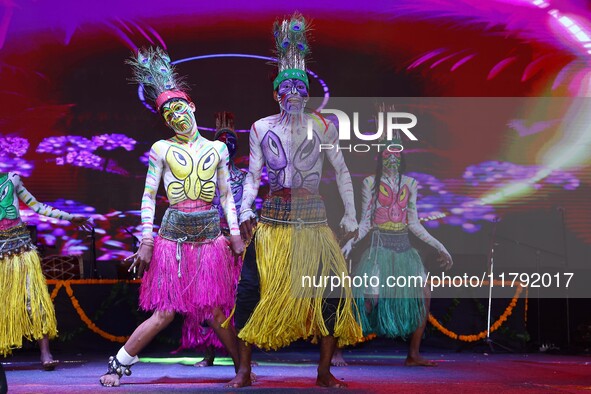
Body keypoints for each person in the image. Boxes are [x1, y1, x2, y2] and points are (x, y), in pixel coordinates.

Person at [227, 14, 362, 389]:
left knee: (333, 291)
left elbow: (343, 172)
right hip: (272, 224)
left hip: (313, 222)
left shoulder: (323, 126)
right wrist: (245, 212)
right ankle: (243, 370)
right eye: (287, 88)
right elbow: (253, 177)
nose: (295, 95)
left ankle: (322, 372)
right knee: (250, 290)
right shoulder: (260, 127)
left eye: (301, 89)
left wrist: (351, 212)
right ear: (276, 94)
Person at [99, 47, 245, 387]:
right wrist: (147, 240)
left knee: (216, 310)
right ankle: (118, 364)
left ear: (192, 106)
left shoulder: (218, 149)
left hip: (210, 237)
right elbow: (149, 195)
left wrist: (235, 234)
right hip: (173, 238)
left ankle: (243, 368)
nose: (175, 116)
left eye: (179, 107)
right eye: (168, 114)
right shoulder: (161, 149)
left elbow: (226, 196)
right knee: (164, 312)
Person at [342, 133, 453, 366]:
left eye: (396, 152)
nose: (392, 156)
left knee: (424, 296)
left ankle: (413, 354)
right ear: (380, 156)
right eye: (387, 152)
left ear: (402, 155)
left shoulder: (410, 184)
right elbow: (366, 222)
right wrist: (350, 243)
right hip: (378, 249)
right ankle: (336, 348)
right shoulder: (370, 183)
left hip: (405, 249)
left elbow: (413, 223)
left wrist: (440, 246)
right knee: (367, 301)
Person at [180, 112, 250, 368]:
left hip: (233, 245)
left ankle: (242, 357)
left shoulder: (243, 177)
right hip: (208, 242)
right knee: (207, 299)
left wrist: (240, 238)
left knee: (232, 300)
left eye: (231, 142)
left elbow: (243, 208)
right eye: (222, 142)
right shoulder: (205, 174)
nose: (226, 146)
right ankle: (208, 352)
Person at [0, 171, 89, 370]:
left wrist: (69, 217)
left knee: (35, 300)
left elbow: (37, 205)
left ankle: (45, 352)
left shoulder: (12, 179)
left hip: (21, 252)